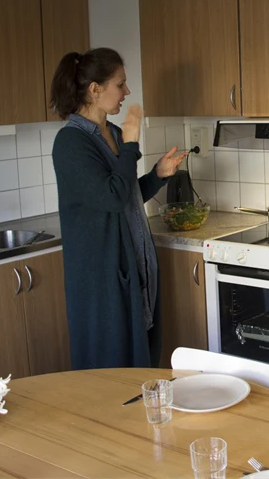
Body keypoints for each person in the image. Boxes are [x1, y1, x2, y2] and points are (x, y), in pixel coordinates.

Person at [50, 48, 187, 369]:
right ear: (95, 90)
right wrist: (130, 144)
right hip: (102, 273)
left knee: (140, 361)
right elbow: (110, 199)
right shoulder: (71, 143)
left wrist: (157, 176)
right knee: (110, 368)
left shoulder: (110, 132)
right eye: (120, 84)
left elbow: (123, 195)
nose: (126, 92)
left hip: (132, 265)